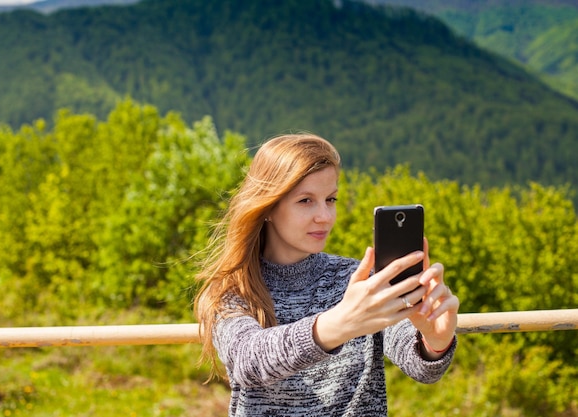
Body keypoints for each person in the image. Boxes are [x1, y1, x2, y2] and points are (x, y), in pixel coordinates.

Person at [194, 133, 459, 416]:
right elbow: (248, 362)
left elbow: (421, 367)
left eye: (330, 199)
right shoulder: (233, 289)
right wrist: (340, 323)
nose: (325, 216)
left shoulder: (356, 280)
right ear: (268, 206)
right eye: (306, 201)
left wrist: (434, 341)